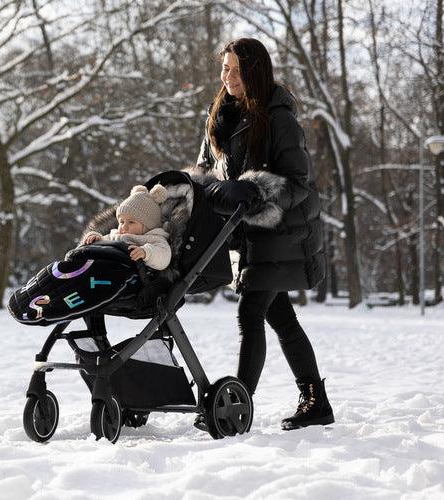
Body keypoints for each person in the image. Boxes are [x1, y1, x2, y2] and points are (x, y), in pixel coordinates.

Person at [186, 38, 333, 430]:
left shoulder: (278, 116)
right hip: (245, 234)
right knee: (280, 316)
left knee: (250, 311)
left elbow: (299, 182)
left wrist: (256, 190)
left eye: (235, 69)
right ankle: (316, 400)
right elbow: (205, 170)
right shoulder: (218, 115)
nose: (227, 76)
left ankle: (236, 407)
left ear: (254, 71)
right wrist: (194, 192)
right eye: (225, 68)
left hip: (281, 231)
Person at [82, 184, 172, 271]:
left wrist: (146, 253)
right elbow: (104, 243)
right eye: (121, 222)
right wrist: (97, 238)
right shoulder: (115, 235)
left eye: (131, 222)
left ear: (148, 225)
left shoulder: (154, 239)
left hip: (131, 277)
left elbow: (164, 256)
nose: (124, 226)